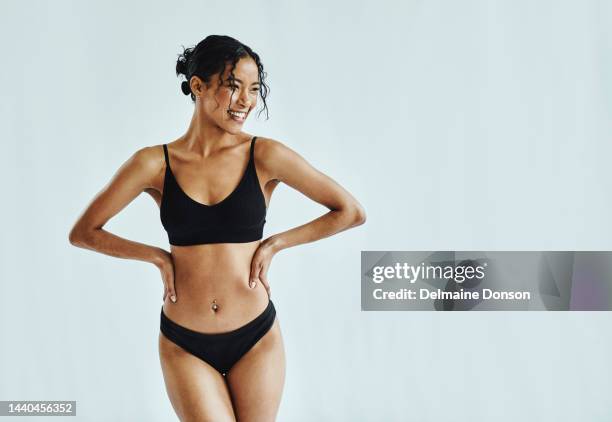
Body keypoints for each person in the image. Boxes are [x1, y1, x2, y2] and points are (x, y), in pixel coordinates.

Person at [68, 34, 366, 421]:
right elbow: (85, 231)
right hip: (184, 342)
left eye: (254, 89)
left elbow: (349, 210)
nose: (246, 100)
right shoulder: (154, 163)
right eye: (233, 86)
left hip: (255, 337)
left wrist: (276, 243)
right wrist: (157, 257)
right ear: (198, 86)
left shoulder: (264, 155)